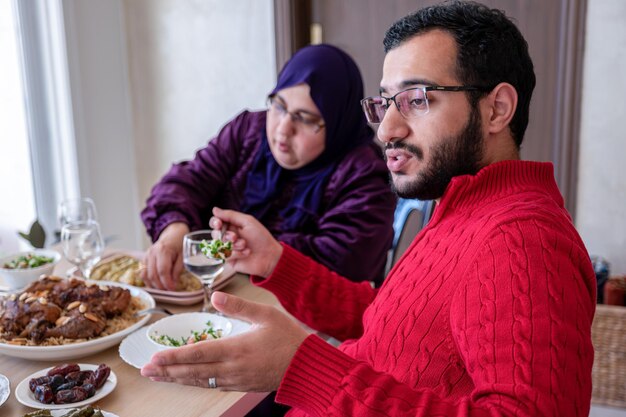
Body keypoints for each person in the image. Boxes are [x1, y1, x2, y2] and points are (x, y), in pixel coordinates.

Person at [141, 2, 596, 416]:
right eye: (385, 103)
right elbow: (392, 322)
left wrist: (305, 369)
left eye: (418, 100)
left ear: (497, 109)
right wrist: (278, 263)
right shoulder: (463, 206)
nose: (387, 130)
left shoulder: (522, 240)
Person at [140, 44, 395, 290]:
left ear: (338, 122)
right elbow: (187, 182)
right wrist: (174, 232)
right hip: (227, 294)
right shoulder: (248, 132)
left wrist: (255, 247)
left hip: (313, 321)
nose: (283, 129)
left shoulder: (363, 175)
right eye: (279, 106)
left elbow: (345, 263)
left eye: (305, 119)